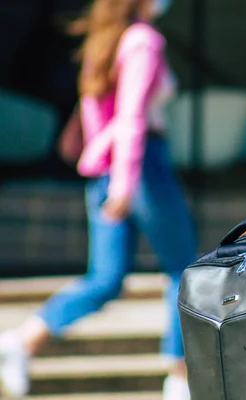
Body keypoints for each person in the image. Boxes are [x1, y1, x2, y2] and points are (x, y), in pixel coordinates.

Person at [0, 1, 196, 399]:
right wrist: (125, 183)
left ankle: (22, 341)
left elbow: (98, 112)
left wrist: (104, 167)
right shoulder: (143, 40)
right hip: (141, 166)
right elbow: (132, 118)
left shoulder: (105, 41)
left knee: (105, 278)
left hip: (109, 169)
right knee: (185, 272)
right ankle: (180, 377)